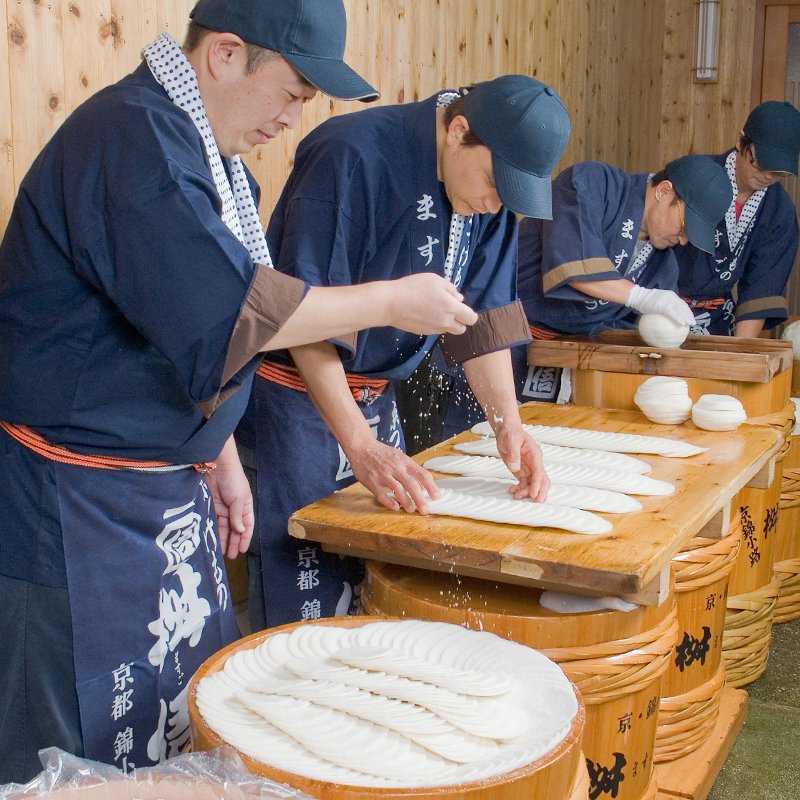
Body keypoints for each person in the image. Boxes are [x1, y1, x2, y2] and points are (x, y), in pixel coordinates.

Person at [0, 0, 485, 782]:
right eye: (292, 91)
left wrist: (220, 453)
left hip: (164, 495)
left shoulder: (207, 151)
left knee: (181, 719)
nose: (294, 118)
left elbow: (175, 328)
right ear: (226, 55)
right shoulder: (133, 137)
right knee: (78, 751)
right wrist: (392, 301)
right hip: (71, 504)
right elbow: (229, 311)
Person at [237, 75, 571, 630]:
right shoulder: (350, 154)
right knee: (305, 589)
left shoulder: (489, 197)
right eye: (494, 183)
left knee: (380, 574)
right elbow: (299, 318)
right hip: (300, 400)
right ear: (458, 131)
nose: (495, 203)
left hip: (378, 400)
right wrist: (359, 443)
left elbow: (482, 321)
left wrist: (507, 425)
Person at [441, 154, 733, 434]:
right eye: (684, 226)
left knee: (537, 456)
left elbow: (627, 333)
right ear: (664, 191)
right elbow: (574, 264)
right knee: (472, 444)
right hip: (500, 339)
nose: (682, 240)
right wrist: (640, 297)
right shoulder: (593, 183)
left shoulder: (663, 267)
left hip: (562, 362)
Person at [675, 101, 800, 337]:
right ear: (741, 141)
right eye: (760, 163)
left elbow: (761, 286)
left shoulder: (779, 210)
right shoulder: (696, 175)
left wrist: (739, 351)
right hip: (660, 305)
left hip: (716, 317)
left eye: (779, 172)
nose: (767, 176)